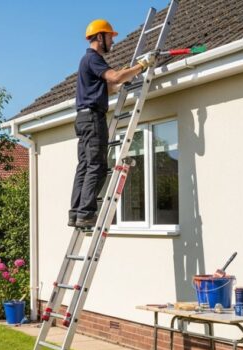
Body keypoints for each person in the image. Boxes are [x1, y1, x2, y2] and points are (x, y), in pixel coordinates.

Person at [69, 19, 156, 228]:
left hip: (83, 118)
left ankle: (76, 212)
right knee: (97, 166)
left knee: (84, 165)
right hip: (92, 119)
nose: (113, 42)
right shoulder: (93, 58)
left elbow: (108, 87)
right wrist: (141, 65)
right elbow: (115, 77)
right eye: (110, 37)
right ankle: (86, 213)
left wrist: (126, 76)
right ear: (100, 37)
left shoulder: (87, 62)